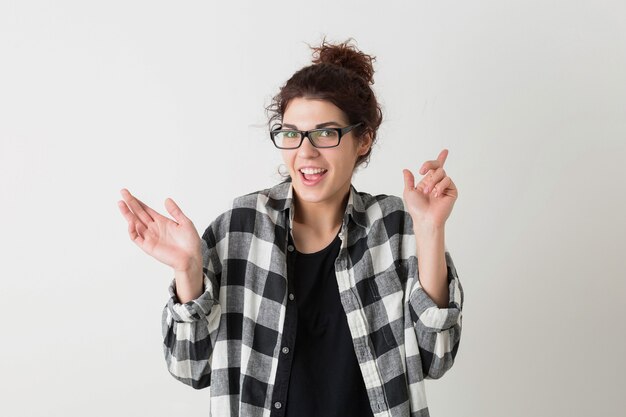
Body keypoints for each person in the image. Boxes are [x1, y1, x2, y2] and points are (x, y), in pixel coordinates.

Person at [117, 38, 464, 417]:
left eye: (325, 133)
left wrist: (430, 229)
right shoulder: (239, 230)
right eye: (291, 133)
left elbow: (437, 358)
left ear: (362, 140)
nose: (305, 152)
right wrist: (187, 271)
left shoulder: (395, 227)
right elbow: (190, 367)